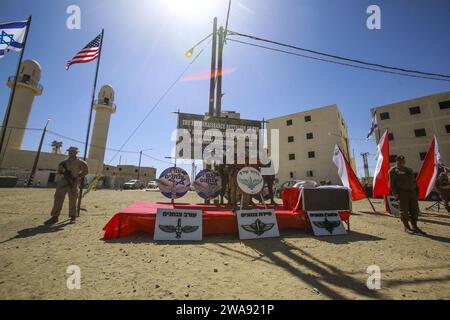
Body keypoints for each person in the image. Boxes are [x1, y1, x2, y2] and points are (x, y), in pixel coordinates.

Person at [44, 147, 88, 225]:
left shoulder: (80, 162)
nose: (71, 153)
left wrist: (78, 177)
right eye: (70, 151)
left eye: (73, 151)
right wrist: (63, 175)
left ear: (76, 153)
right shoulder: (63, 162)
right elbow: (59, 171)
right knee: (58, 199)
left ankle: (72, 216)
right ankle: (55, 216)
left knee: (73, 200)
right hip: (63, 183)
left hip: (73, 183)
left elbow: (86, 171)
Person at [389, 155, 426, 235]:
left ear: (405, 161)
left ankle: (415, 226)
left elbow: (414, 181)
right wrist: (395, 193)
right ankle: (407, 227)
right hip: (402, 192)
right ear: (397, 161)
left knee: (415, 210)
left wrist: (417, 191)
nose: (401, 162)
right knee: (404, 210)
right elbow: (392, 184)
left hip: (412, 191)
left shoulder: (409, 170)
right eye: (399, 161)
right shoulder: (393, 170)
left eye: (403, 161)